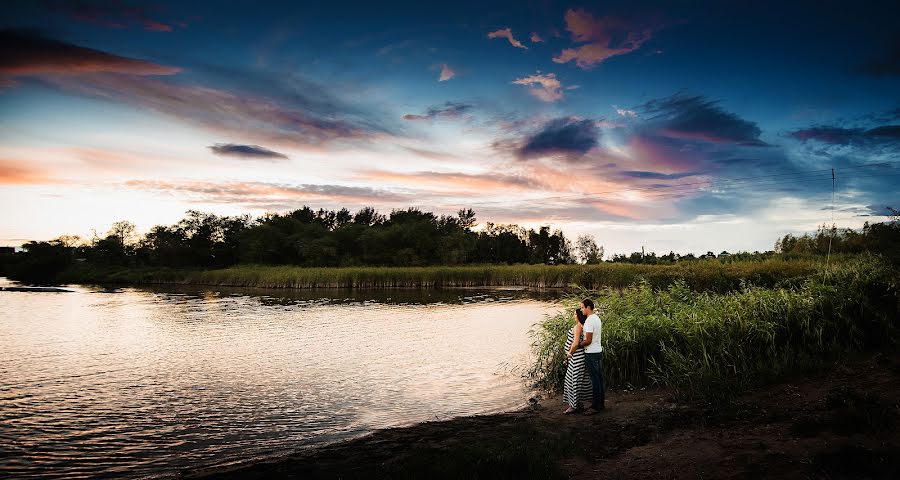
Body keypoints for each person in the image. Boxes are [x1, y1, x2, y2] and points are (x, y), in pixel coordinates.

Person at [577, 298, 605, 414]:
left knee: (595, 380)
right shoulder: (597, 318)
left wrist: (578, 345)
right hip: (598, 351)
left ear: (588, 307)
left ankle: (595, 407)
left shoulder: (589, 321)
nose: (581, 310)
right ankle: (600, 404)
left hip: (591, 353)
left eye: (582, 307)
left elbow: (588, 340)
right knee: (599, 379)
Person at [563, 308, 592, 414]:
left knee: (572, 380)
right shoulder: (583, 326)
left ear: (579, 316)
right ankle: (578, 404)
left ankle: (573, 406)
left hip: (576, 357)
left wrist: (569, 354)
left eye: (575, 314)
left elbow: (575, 343)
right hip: (580, 357)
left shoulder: (578, 327)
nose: (573, 316)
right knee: (580, 381)